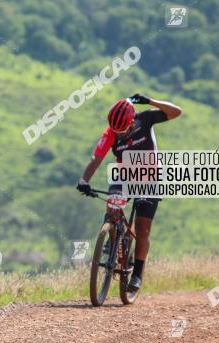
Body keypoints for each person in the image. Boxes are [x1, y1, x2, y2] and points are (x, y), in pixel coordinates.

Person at [77, 93, 182, 291]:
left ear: (132, 120)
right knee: (112, 205)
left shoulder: (146, 119)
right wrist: (84, 181)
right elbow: (96, 159)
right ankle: (111, 235)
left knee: (142, 228)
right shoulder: (110, 134)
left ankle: (137, 274)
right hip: (124, 176)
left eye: (123, 129)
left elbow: (177, 112)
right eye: (115, 130)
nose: (119, 134)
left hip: (151, 177)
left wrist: (150, 101)